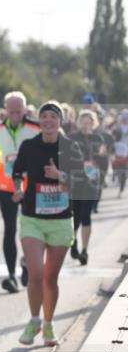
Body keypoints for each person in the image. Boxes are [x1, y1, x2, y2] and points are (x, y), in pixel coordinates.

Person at [11, 102, 82, 347]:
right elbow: (17, 172)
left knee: (50, 278)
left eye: (53, 116)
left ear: (60, 121)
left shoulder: (71, 147)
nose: (48, 120)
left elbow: (82, 182)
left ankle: (49, 325)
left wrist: (60, 176)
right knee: (36, 274)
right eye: (44, 116)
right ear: (39, 120)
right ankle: (34, 321)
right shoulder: (29, 146)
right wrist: (18, 189)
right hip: (32, 218)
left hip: (61, 221)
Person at [0, 91, 40, 293]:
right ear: (6, 110)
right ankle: (11, 275)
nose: (16, 115)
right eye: (12, 111)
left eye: (19, 111)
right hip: (6, 186)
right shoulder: (0, 129)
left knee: (30, 230)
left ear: (25, 109)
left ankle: (26, 262)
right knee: (9, 229)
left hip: (30, 186)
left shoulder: (35, 128)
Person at [68, 109, 104, 265]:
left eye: (88, 123)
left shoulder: (98, 139)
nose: (85, 125)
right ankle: (73, 242)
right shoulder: (71, 138)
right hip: (74, 182)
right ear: (78, 123)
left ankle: (84, 251)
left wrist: (96, 162)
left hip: (91, 182)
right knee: (74, 217)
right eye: (82, 122)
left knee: (85, 216)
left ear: (93, 124)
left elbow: (103, 160)